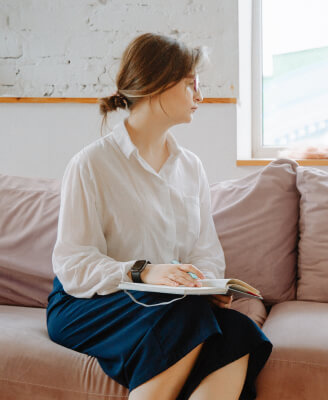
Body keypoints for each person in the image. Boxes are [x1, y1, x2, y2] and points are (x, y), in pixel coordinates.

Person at [46, 33, 272, 400]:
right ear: (158, 85)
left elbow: (206, 250)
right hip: (88, 301)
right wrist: (144, 271)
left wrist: (202, 283)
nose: (200, 96)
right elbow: (73, 263)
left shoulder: (191, 167)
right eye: (191, 84)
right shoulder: (91, 165)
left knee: (240, 332)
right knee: (185, 320)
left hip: (166, 303)